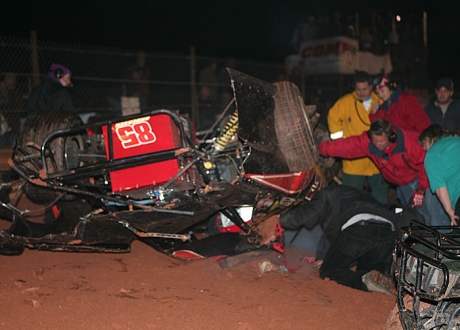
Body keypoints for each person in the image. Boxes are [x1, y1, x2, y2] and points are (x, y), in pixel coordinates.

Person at [279, 185, 424, 294]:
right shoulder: (364, 196)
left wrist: (281, 220)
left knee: (329, 270)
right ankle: (379, 276)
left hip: (359, 227)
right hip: (387, 232)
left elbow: (307, 215)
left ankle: (364, 281)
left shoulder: (327, 193)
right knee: (369, 270)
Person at [318, 118, 450, 226]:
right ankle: (422, 242)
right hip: (403, 183)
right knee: (414, 216)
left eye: (380, 141)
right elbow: (348, 146)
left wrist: (421, 189)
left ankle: (444, 244)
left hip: (423, 178)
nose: (377, 145)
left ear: (391, 137)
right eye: (374, 141)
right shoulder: (369, 143)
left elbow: (427, 162)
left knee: (434, 214)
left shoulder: (409, 143)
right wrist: (321, 149)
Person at [327, 71, 388, 203]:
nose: (361, 92)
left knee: (380, 199)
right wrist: (341, 143)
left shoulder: (381, 101)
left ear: (371, 87)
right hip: (353, 162)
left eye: (364, 89)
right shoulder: (345, 103)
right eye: (358, 89)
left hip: (378, 161)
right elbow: (333, 118)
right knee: (350, 199)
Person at [419, 125, 460, 225]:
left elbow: (440, 188)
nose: (424, 148)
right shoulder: (457, 140)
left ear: (431, 138)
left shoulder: (433, 154)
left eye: (424, 143)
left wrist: (450, 212)